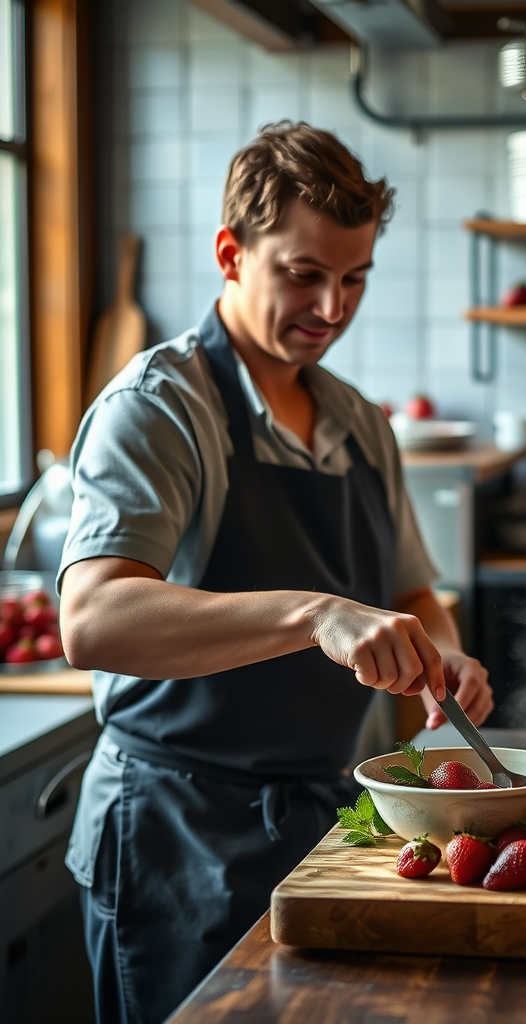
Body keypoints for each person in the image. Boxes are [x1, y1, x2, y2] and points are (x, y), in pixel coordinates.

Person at [59, 122, 493, 1024]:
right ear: (231, 253)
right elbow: (93, 621)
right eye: (304, 273)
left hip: (322, 825)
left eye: (355, 278)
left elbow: (413, 591)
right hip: (177, 834)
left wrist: (444, 654)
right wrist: (314, 615)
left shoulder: (360, 423)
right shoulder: (160, 408)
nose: (332, 307)